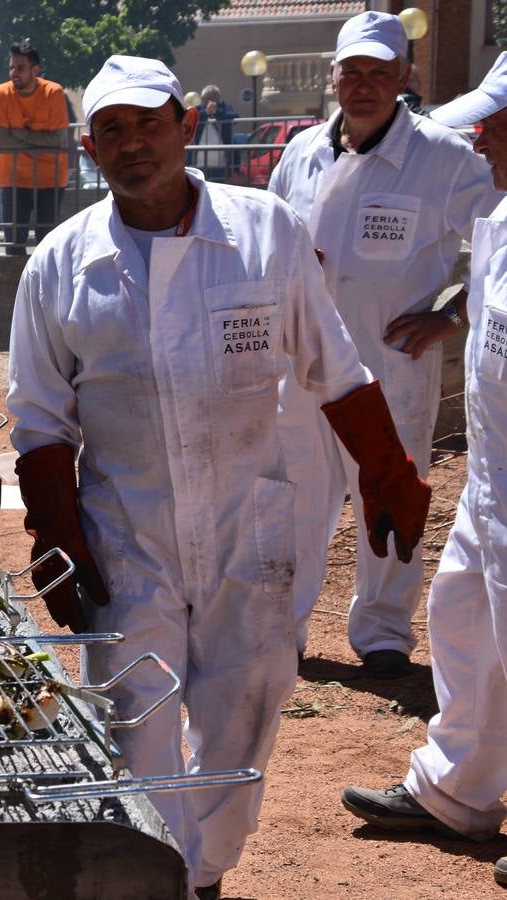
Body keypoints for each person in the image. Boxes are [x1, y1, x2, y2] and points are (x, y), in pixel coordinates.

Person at [8, 54, 430, 899]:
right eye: (113, 130)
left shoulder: (263, 232)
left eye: (150, 123)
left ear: (187, 127)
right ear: (90, 149)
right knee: (137, 727)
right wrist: (57, 528)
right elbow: (41, 416)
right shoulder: (60, 265)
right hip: (127, 535)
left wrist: (387, 468)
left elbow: (335, 367)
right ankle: (161, 880)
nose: (134, 144)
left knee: (245, 720)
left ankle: (204, 874)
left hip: (250, 530)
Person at [267, 10, 500, 677]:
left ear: (405, 77)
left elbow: (498, 239)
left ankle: (383, 631)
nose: (363, 85)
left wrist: (450, 312)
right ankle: (285, 628)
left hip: (388, 363)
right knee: (296, 499)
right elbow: (272, 246)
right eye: (352, 72)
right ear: (332, 76)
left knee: (390, 489)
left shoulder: (443, 158)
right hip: (304, 365)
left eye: (379, 72)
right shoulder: (300, 152)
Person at [341, 53, 507, 889]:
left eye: (498, 121)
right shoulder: (504, 218)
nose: (479, 138)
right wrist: (451, 314)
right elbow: (480, 295)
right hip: (493, 476)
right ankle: (456, 789)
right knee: (462, 618)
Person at [0, 39, 70, 256]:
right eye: (12, 67)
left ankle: (46, 290)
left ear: (36, 70)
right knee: (14, 245)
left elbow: (56, 139)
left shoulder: (54, 92)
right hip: (13, 180)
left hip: (50, 180)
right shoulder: (0, 94)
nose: (14, 72)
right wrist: (38, 139)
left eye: (20, 68)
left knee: (48, 246)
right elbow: (0, 140)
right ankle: (15, 288)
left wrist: (20, 134)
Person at [193, 84, 237, 181]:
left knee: (219, 187)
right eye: (205, 99)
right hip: (199, 161)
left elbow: (234, 118)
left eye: (211, 98)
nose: (208, 101)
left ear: (217, 98)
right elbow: (190, 120)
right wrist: (206, 113)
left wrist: (217, 111)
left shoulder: (226, 108)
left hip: (221, 162)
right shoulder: (198, 109)